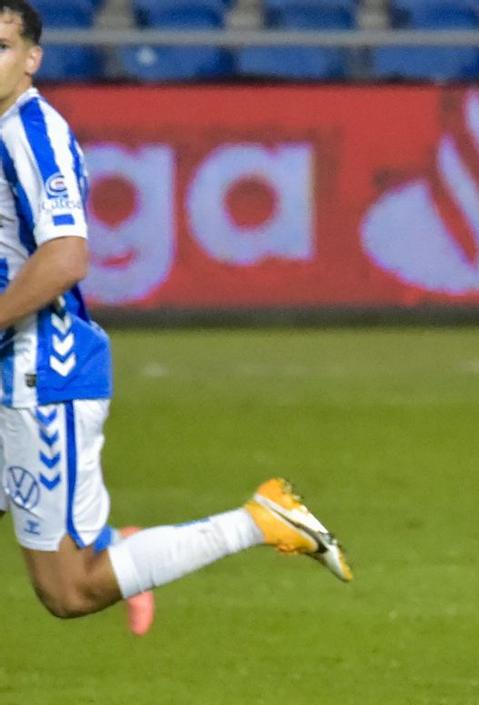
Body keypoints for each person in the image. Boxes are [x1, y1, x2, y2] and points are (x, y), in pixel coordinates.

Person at [0, 0, 348, 625]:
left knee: (68, 592)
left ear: (32, 60)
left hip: (38, 372)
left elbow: (66, 257)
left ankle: (256, 520)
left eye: (0, 47)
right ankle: (121, 553)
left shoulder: (28, 132)